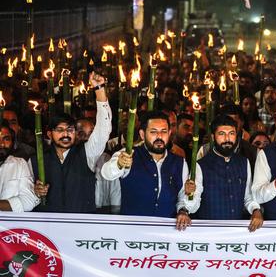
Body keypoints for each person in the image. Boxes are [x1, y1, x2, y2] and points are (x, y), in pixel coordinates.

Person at [32, 72, 112, 213]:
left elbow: (103, 130)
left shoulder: (87, 154)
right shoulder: (36, 160)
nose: (66, 134)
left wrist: (99, 89)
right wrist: (35, 190)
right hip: (49, 227)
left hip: (81, 227)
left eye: (70, 129)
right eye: (60, 130)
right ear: (49, 134)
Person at [101, 111, 192, 230]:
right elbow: (106, 173)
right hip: (131, 231)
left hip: (167, 233)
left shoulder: (179, 162)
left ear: (169, 133)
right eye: (153, 132)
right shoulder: (129, 154)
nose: (159, 136)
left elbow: (183, 196)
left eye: (164, 132)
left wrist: (183, 211)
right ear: (143, 134)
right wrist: (119, 164)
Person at [185, 115, 263, 231]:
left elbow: (248, 197)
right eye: (222, 134)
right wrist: (189, 194)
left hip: (235, 232)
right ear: (213, 137)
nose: (227, 138)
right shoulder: (200, 165)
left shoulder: (243, 162)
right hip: (208, 232)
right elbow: (192, 207)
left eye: (231, 133)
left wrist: (256, 211)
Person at [0, 121, 39, 212]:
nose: (1, 144)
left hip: (8, 225)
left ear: (13, 143)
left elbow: (28, 201)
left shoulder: (20, 164)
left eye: (6, 139)